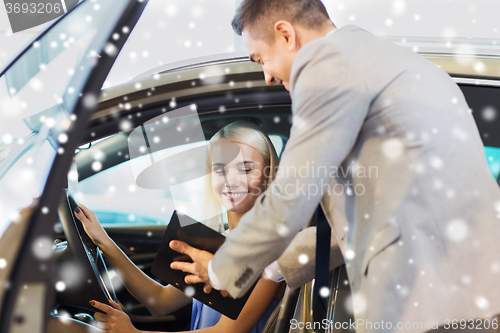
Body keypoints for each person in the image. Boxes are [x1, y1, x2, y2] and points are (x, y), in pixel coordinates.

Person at [169, 1, 500, 332]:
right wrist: (272, 269)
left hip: (431, 302)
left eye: (261, 59)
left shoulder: (328, 65)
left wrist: (219, 270)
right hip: (471, 293)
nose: (267, 76)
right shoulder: (388, 62)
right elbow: (374, 216)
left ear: (285, 34)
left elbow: (290, 195)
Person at [68, 121, 285, 333]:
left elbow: (228, 331)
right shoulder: (217, 242)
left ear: (269, 173)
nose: (231, 181)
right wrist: (102, 241)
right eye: (220, 171)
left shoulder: (273, 248)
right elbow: (160, 301)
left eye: (246, 169)